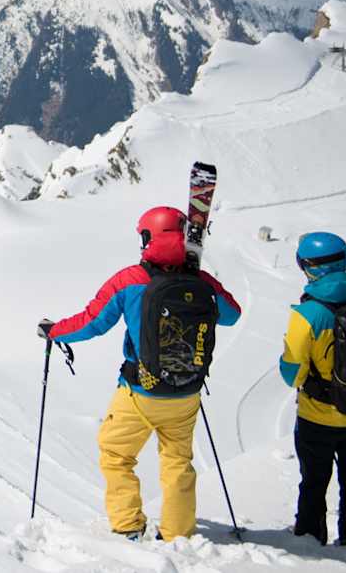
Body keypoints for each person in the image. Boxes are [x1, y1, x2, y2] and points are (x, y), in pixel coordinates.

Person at [37, 206, 242, 541]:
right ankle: (178, 534)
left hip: (140, 390)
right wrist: (198, 280)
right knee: (177, 461)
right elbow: (232, 314)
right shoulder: (200, 281)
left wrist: (54, 331)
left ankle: (129, 525)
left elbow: (92, 323)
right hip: (186, 391)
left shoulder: (130, 280)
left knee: (116, 453)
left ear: (149, 238)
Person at [280, 232, 346, 548]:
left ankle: (310, 536)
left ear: (307, 267)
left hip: (319, 416)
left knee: (314, 479)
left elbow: (292, 374)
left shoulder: (307, 314)